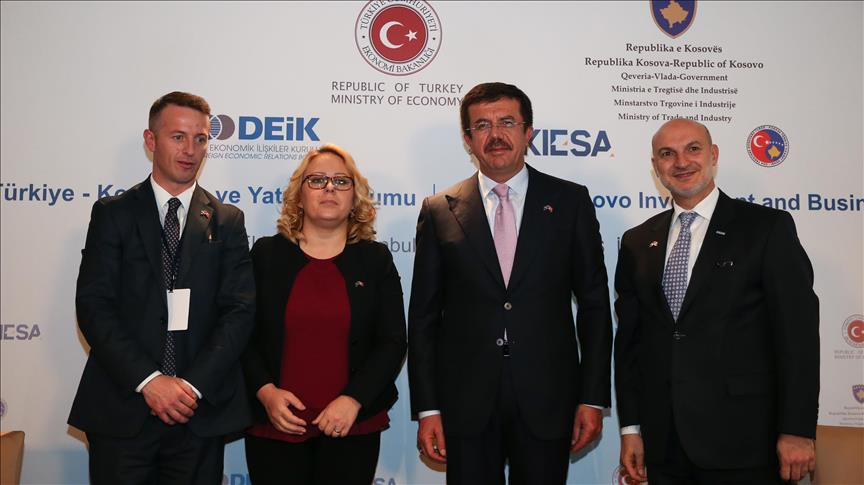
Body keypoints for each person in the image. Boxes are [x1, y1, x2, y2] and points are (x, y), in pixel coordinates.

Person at [407, 82, 613, 484]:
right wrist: (428, 408)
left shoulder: (569, 202)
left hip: (548, 399)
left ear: (528, 132)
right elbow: (423, 318)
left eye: (506, 122)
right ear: (468, 139)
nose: (495, 135)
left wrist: (592, 398)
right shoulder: (439, 210)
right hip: (466, 403)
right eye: (482, 126)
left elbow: (594, 306)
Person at [614, 118, 819, 484]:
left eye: (693, 149)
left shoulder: (766, 228)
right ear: (655, 166)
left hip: (745, 440)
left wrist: (797, 429)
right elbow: (630, 344)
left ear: (714, 155)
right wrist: (631, 428)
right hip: (664, 444)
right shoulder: (637, 241)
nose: (681, 162)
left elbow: (798, 336)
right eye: (667, 154)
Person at [68, 91, 256, 484]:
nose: (190, 150)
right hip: (123, 409)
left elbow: (239, 312)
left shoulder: (227, 221)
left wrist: (190, 387)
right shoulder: (112, 214)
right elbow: (94, 305)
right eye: (178, 137)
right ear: (151, 140)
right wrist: (150, 381)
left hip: (197, 414)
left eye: (200, 139)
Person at [242, 143, 407, 485]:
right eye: (317, 180)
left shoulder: (375, 260)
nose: (329, 188)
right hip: (275, 425)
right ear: (299, 197)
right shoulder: (265, 255)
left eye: (341, 181)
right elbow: (242, 333)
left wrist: (353, 400)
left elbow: (392, 342)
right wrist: (265, 391)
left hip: (352, 426)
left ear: (354, 198)